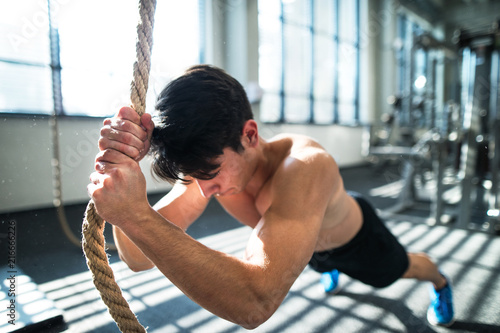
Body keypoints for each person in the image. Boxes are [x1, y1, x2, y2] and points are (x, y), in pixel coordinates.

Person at [88, 65, 455, 329]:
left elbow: (255, 302)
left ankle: (440, 282)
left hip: (354, 239)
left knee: (399, 270)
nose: (205, 190)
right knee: (306, 255)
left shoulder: (306, 167)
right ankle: (321, 265)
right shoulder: (207, 169)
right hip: (301, 243)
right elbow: (137, 256)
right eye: (197, 178)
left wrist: (136, 214)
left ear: (250, 135)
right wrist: (128, 169)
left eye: (212, 175)